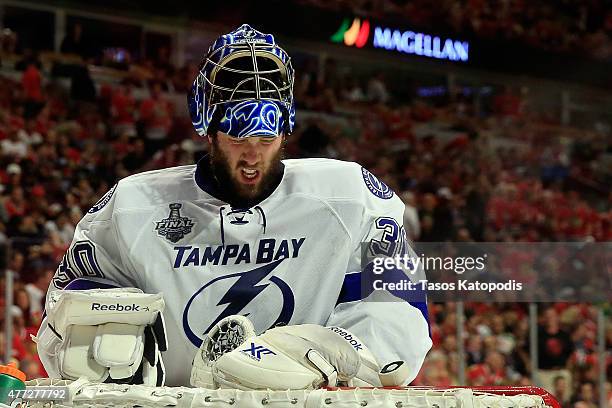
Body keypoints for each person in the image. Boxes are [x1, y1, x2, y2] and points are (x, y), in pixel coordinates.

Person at [35, 24, 431, 388]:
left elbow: (399, 304)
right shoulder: (131, 207)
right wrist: (101, 343)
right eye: (237, 138)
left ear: (286, 125)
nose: (252, 157)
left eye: (266, 138)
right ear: (208, 127)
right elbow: (67, 308)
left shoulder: (349, 195)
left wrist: (340, 348)